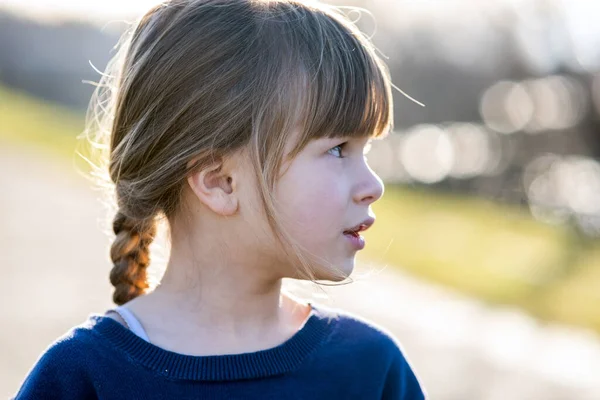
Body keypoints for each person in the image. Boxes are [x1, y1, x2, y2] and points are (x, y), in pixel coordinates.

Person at [14, 0, 426, 398]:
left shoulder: (371, 371)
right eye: (338, 149)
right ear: (219, 182)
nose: (373, 185)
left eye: (366, 150)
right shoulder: (81, 378)